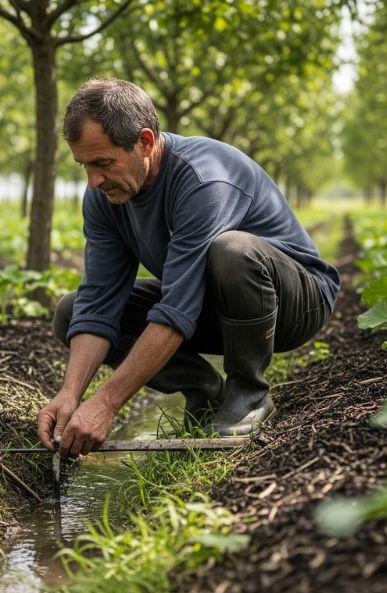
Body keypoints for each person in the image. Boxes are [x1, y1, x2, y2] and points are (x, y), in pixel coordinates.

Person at [37, 77, 340, 459]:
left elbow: (176, 310)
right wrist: (70, 394)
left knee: (232, 251)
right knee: (71, 311)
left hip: (294, 302)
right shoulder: (104, 196)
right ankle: (206, 393)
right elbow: (99, 301)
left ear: (145, 142)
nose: (93, 180)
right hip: (216, 306)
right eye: (83, 165)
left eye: (102, 162)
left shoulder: (202, 177)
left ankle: (248, 394)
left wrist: (106, 403)